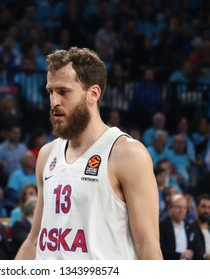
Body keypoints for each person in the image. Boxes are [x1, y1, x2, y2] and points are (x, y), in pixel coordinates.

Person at [16, 47, 162, 260]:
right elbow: (35, 239)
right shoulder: (47, 155)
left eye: (63, 92)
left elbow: (147, 246)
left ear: (93, 94)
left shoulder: (126, 153)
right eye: (50, 92)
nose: (54, 101)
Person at [159, 194, 201, 260]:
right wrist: (180, 255)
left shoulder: (190, 227)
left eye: (184, 207)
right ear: (169, 208)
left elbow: (198, 249)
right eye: (178, 207)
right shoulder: (161, 226)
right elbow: (161, 250)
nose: (182, 210)